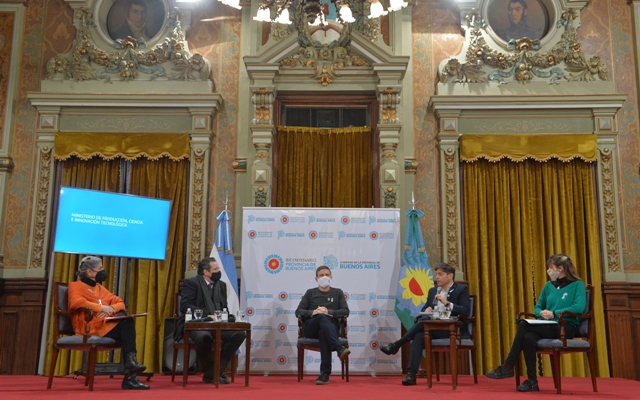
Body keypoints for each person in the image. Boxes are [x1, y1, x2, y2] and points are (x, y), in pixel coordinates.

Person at [486, 253, 586, 392]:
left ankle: (508, 366)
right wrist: (541, 312)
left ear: (560, 268)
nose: (548, 271)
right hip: (548, 325)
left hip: (565, 327)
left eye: (550, 268)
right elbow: (538, 306)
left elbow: (578, 307)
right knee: (528, 337)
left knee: (524, 324)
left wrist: (555, 313)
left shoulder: (577, 285)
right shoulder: (548, 286)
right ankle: (532, 382)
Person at [379, 263, 470, 386]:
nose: (436, 277)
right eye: (436, 274)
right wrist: (427, 310)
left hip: (452, 329)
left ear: (450, 276)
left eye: (440, 274)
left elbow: (465, 311)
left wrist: (447, 303)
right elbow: (425, 308)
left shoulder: (460, 289)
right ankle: (411, 375)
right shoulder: (433, 291)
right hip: (433, 327)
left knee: (420, 328)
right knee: (419, 335)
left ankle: (397, 345)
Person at [68, 256, 149, 390]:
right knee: (126, 328)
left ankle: (130, 370)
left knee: (127, 324)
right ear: (89, 272)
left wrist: (111, 308)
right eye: (100, 269)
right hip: (88, 327)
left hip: (104, 325)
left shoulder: (100, 288)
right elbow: (76, 302)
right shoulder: (75, 286)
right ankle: (131, 371)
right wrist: (101, 308)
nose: (103, 271)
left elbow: (120, 302)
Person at [178, 257, 246, 384]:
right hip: (198, 325)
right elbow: (185, 306)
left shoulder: (221, 286)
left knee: (239, 334)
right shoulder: (192, 283)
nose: (218, 271)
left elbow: (223, 307)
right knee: (204, 338)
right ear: (206, 272)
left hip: (218, 325)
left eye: (218, 269)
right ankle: (213, 371)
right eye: (216, 269)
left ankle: (214, 372)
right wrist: (208, 315)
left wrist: (227, 316)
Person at [295, 265, 351, 385]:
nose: (324, 277)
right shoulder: (310, 293)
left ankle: (324, 374)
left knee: (324, 332)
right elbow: (298, 312)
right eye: (321, 275)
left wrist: (328, 312)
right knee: (320, 317)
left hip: (331, 328)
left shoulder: (338, 292)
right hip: (311, 328)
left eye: (327, 275)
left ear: (331, 277)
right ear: (316, 279)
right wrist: (314, 312)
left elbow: (345, 311)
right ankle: (338, 348)